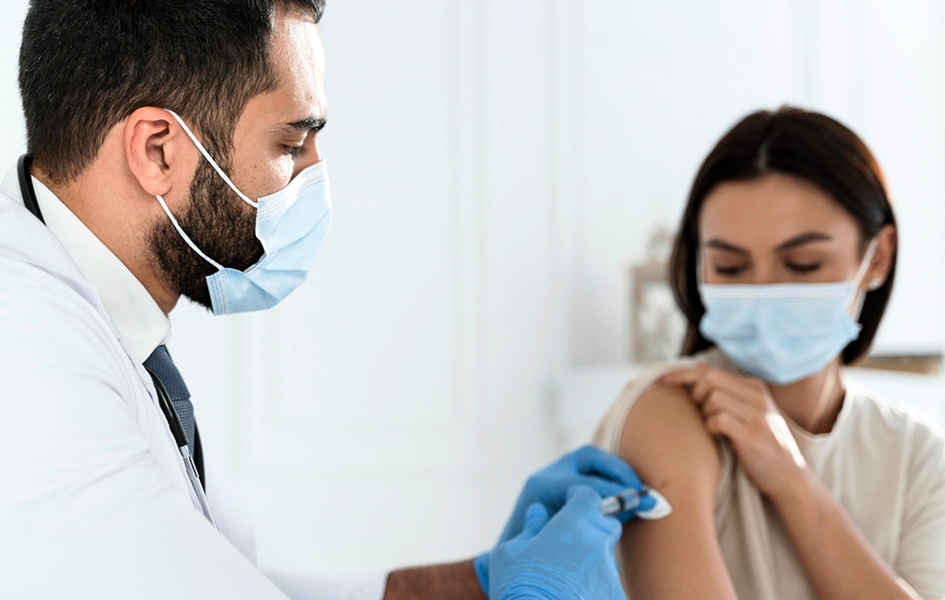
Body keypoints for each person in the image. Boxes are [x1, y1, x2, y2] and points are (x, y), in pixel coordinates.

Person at [0, 1, 652, 598]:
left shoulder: (92, 321)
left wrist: (476, 584)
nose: (313, 175)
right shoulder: (26, 353)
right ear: (157, 150)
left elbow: (210, 578)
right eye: (289, 144)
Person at [594, 107, 945, 599]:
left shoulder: (916, 455)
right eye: (730, 267)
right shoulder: (671, 407)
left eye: (802, 264)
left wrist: (792, 481)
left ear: (878, 257)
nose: (762, 294)